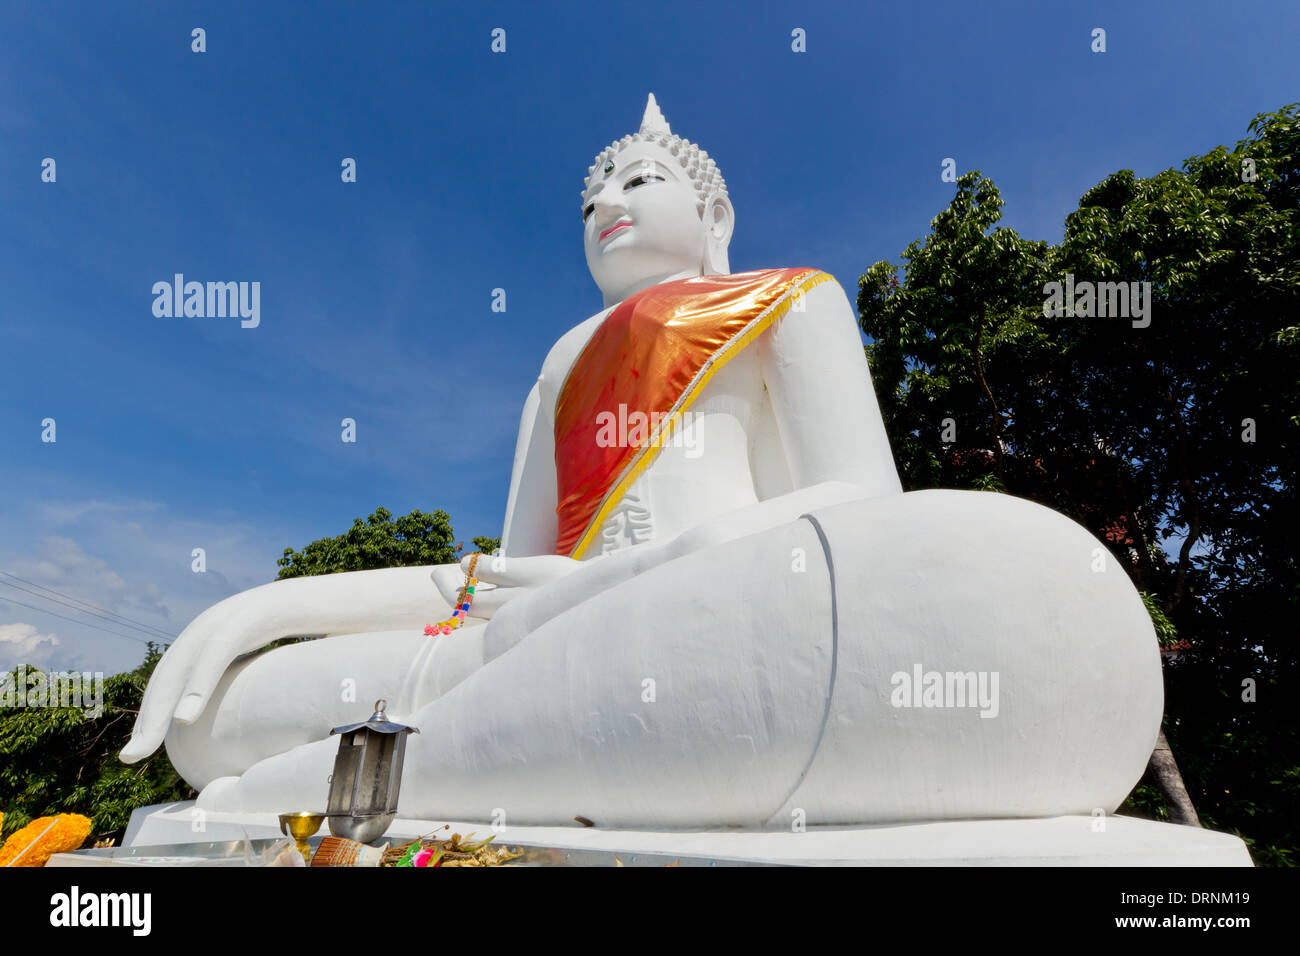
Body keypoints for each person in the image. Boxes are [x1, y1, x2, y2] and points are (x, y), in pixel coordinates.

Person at [121, 96, 1161, 828]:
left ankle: (352, 771)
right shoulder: (561, 360)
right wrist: (285, 605)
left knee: (1020, 594)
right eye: (590, 194)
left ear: (714, 215)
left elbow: (857, 505)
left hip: (719, 597)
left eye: (638, 177)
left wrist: (632, 575)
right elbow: (498, 579)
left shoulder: (789, 298)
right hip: (518, 652)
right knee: (212, 721)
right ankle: (429, 754)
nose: (605, 200)